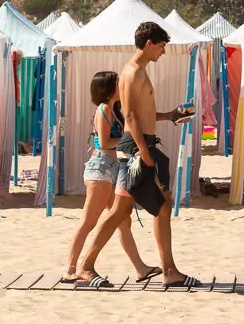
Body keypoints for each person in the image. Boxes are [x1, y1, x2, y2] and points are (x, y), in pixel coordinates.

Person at [77, 21, 198, 289]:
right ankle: (86, 266)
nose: (163, 52)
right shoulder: (132, 73)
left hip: (140, 145)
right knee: (126, 210)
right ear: (149, 43)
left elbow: (141, 113)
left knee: (144, 208)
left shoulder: (139, 72)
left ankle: (168, 271)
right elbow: (129, 115)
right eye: (162, 46)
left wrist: (169, 116)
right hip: (137, 148)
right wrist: (145, 153)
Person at [62, 72, 151, 288]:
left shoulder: (114, 111)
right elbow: (103, 142)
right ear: (109, 89)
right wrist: (130, 139)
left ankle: (140, 268)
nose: (121, 86)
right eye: (117, 83)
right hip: (100, 168)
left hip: (112, 168)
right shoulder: (102, 110)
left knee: (123, 221)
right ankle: (70, 269)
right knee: (89, 221)